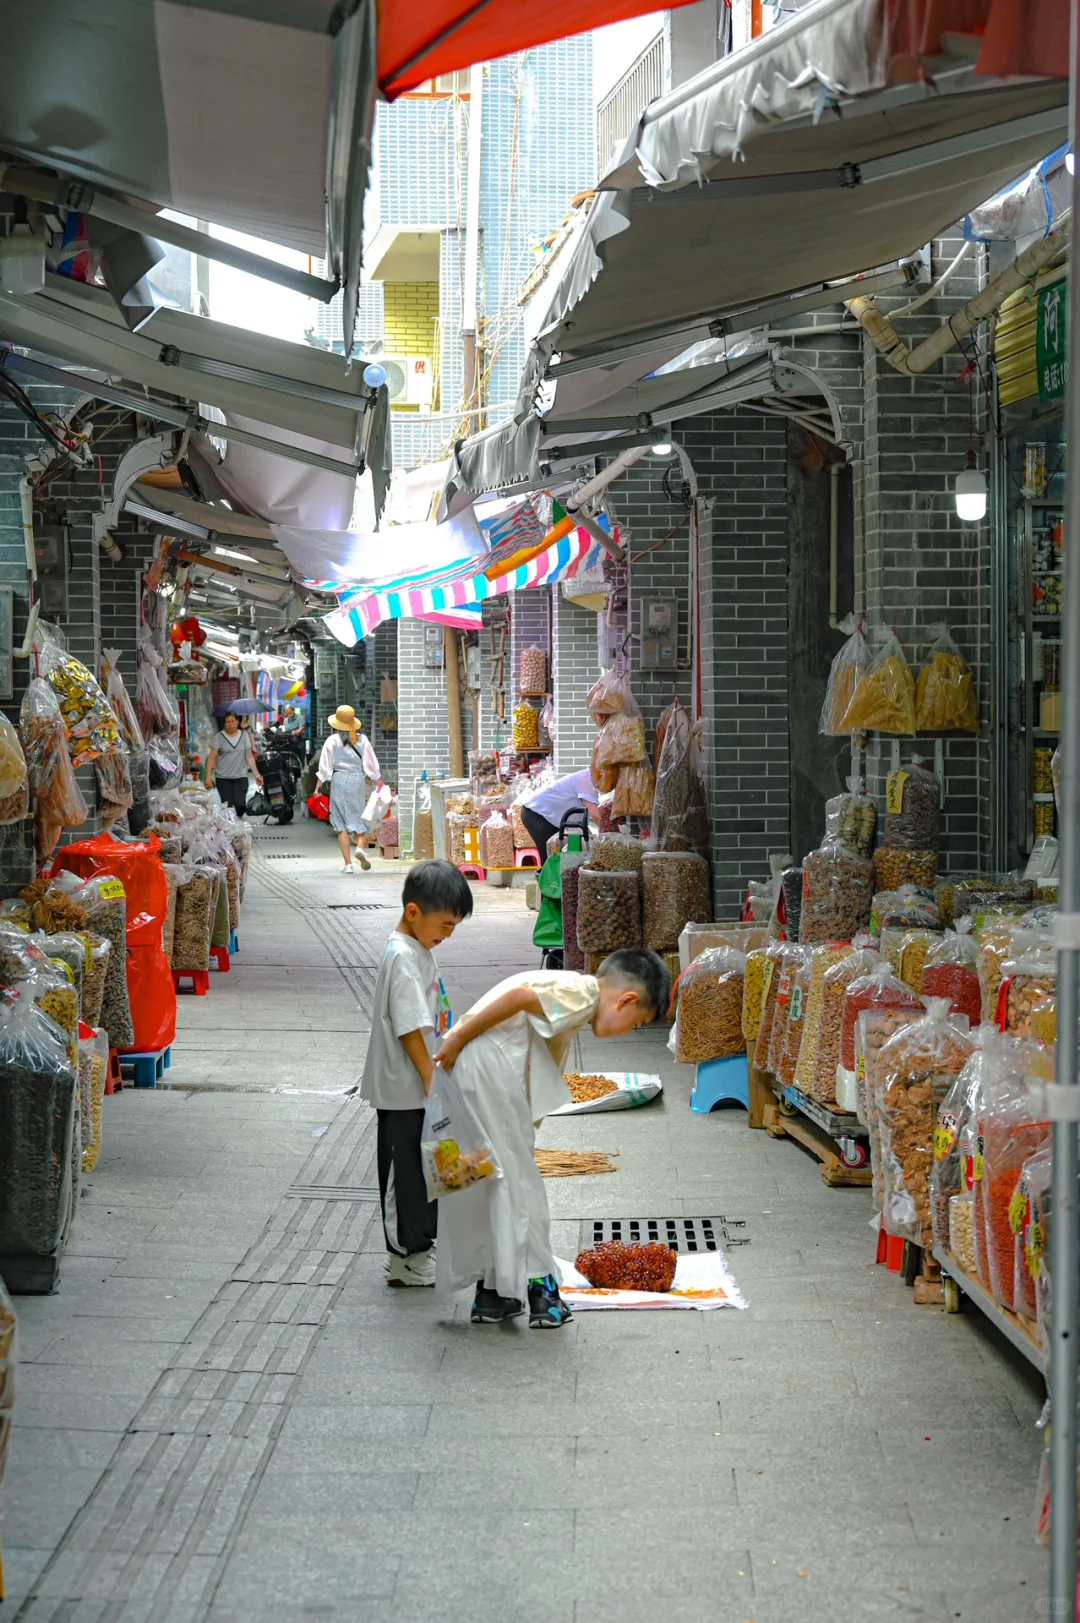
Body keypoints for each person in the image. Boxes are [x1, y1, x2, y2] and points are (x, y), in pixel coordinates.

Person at [433, 948, 670, 1328]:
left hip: (477, 1077)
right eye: (636, 1023)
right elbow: (518, 999)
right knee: (522, 1186)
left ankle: (494, 1294)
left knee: (495, 1182)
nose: (629, 1032)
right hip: (487, 1072)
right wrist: (458, 1037)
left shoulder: (569, 1001)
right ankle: (542, 1293)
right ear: (626, 999)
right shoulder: (581, 993)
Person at [361, 860, 475, 1288]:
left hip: (421, 1088)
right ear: (413, 912)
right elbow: (409, 1027)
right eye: (444, 925)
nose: (447, 935)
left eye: (454, 927)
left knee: (426, 1172)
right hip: (404, 1091)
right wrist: (431, 1077)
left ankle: (422, 1250)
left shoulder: (416, 950)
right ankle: (406, 1258)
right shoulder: (405, 958)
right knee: (404, 1179)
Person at [316, 705, 383, 873]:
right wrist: (381, 784)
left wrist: (317, 787)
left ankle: (348, 865)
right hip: (356, 779)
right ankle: (360, 848)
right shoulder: (362, 740)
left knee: (341, 824)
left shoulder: (331, 741)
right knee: (358, 816)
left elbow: (324, 768)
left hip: (339, 779)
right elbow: (371, 766)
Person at [518, 767, 597, 858]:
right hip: (537, 814)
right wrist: (608, 835)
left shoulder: (587, 778)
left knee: (562, 856)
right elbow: (596, 815)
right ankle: (547, 872)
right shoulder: (586, 779)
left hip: (549, 818)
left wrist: (590, 835)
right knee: (550, 856)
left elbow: (582, 820)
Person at [204, 711, 262, 814]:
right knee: (227, 806)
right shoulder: (219, 737)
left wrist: (257, 775)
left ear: (238, 721)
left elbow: (249, 757)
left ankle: (238, 819)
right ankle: (231, 827)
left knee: (240, 805)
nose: (230, 724)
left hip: (240, 777)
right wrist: (208, 775)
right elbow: (212, 758)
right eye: (227, 722)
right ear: (224, 723)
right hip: (223, 778)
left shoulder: (244, 736)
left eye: (232, 721)